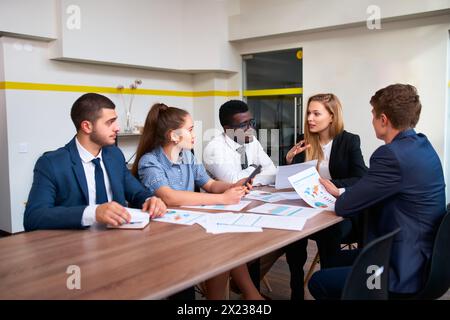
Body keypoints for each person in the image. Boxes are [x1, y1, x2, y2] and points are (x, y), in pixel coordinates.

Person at [309, 84, 446, 299]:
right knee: (333, 259)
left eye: (373, 116)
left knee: (319, 282)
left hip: (401, 270)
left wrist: (341, 194)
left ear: (384, 120)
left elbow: (345, 206)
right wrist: (344, 192)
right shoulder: (423, 146)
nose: (372, 121)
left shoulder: (390, 156)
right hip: (426, 259)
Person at [132, 103, 264, 300]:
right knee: (221, 245)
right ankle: (250, 296)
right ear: (174, 135)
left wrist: (231, 186)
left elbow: (210, 184)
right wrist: (222, 199)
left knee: (226, 241)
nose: (195, 135)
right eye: (191, 130)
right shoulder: (150, 162)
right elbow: (169, 197)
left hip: (187, 225)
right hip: (163, 235)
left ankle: (246, 296)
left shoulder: (188, 156)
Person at [24, 93, 167, 232]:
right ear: (87, 126)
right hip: (73, 246)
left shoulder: (115, 155)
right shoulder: (51, 163)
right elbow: (34, 217)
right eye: (109, 122)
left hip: (117, 240)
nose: (117, 128)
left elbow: (136, 192)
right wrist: (93, 213)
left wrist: (150, 199)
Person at [283, 93, 368, 300]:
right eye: (308, 113)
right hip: (310, 207)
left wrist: (333, 186)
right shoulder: (303, 141)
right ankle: (296, 289)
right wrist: (289, 161)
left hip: (338, 213)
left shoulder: (349, 141)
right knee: (293, 234)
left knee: (328, 233)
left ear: (332, 116)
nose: (309, 118)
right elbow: (296, 179)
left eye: (316, 113)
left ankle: (328, 285)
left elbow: (361, 177)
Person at [203, 100, 277, 186]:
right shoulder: (214, 149)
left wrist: (248, 180)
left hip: (253, 196)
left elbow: (272, 173)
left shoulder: (252, 141)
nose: (251, 129)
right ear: (227, 129)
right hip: (221, 199)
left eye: (251, 122)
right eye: (243, 125)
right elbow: (233, 183)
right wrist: (254, 168)